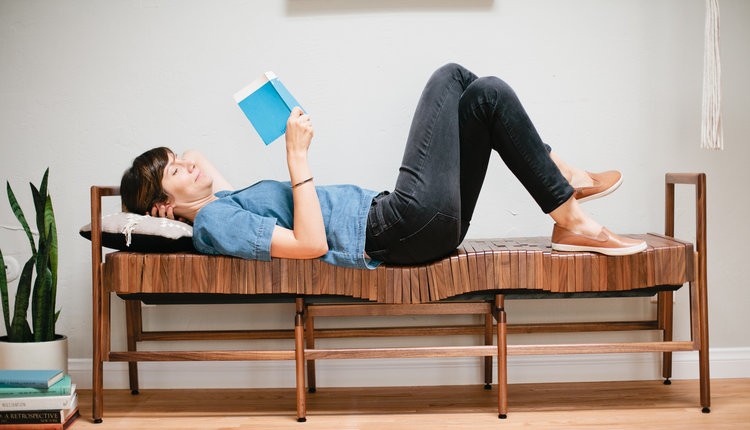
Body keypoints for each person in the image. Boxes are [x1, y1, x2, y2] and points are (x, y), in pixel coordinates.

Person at [120, 63, 646, 270]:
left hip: (412, 225)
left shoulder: (219, 204)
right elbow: (310, 245)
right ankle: (568, 201)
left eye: (180, 162)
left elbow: (199, 159)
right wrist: (297, 156)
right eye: (175, 172)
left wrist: (178, 173)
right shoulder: (215, 222)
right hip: (394, 227)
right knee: (452, 76)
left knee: (484, 94)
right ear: (163, 206)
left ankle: (565, 199)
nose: (189, 165)